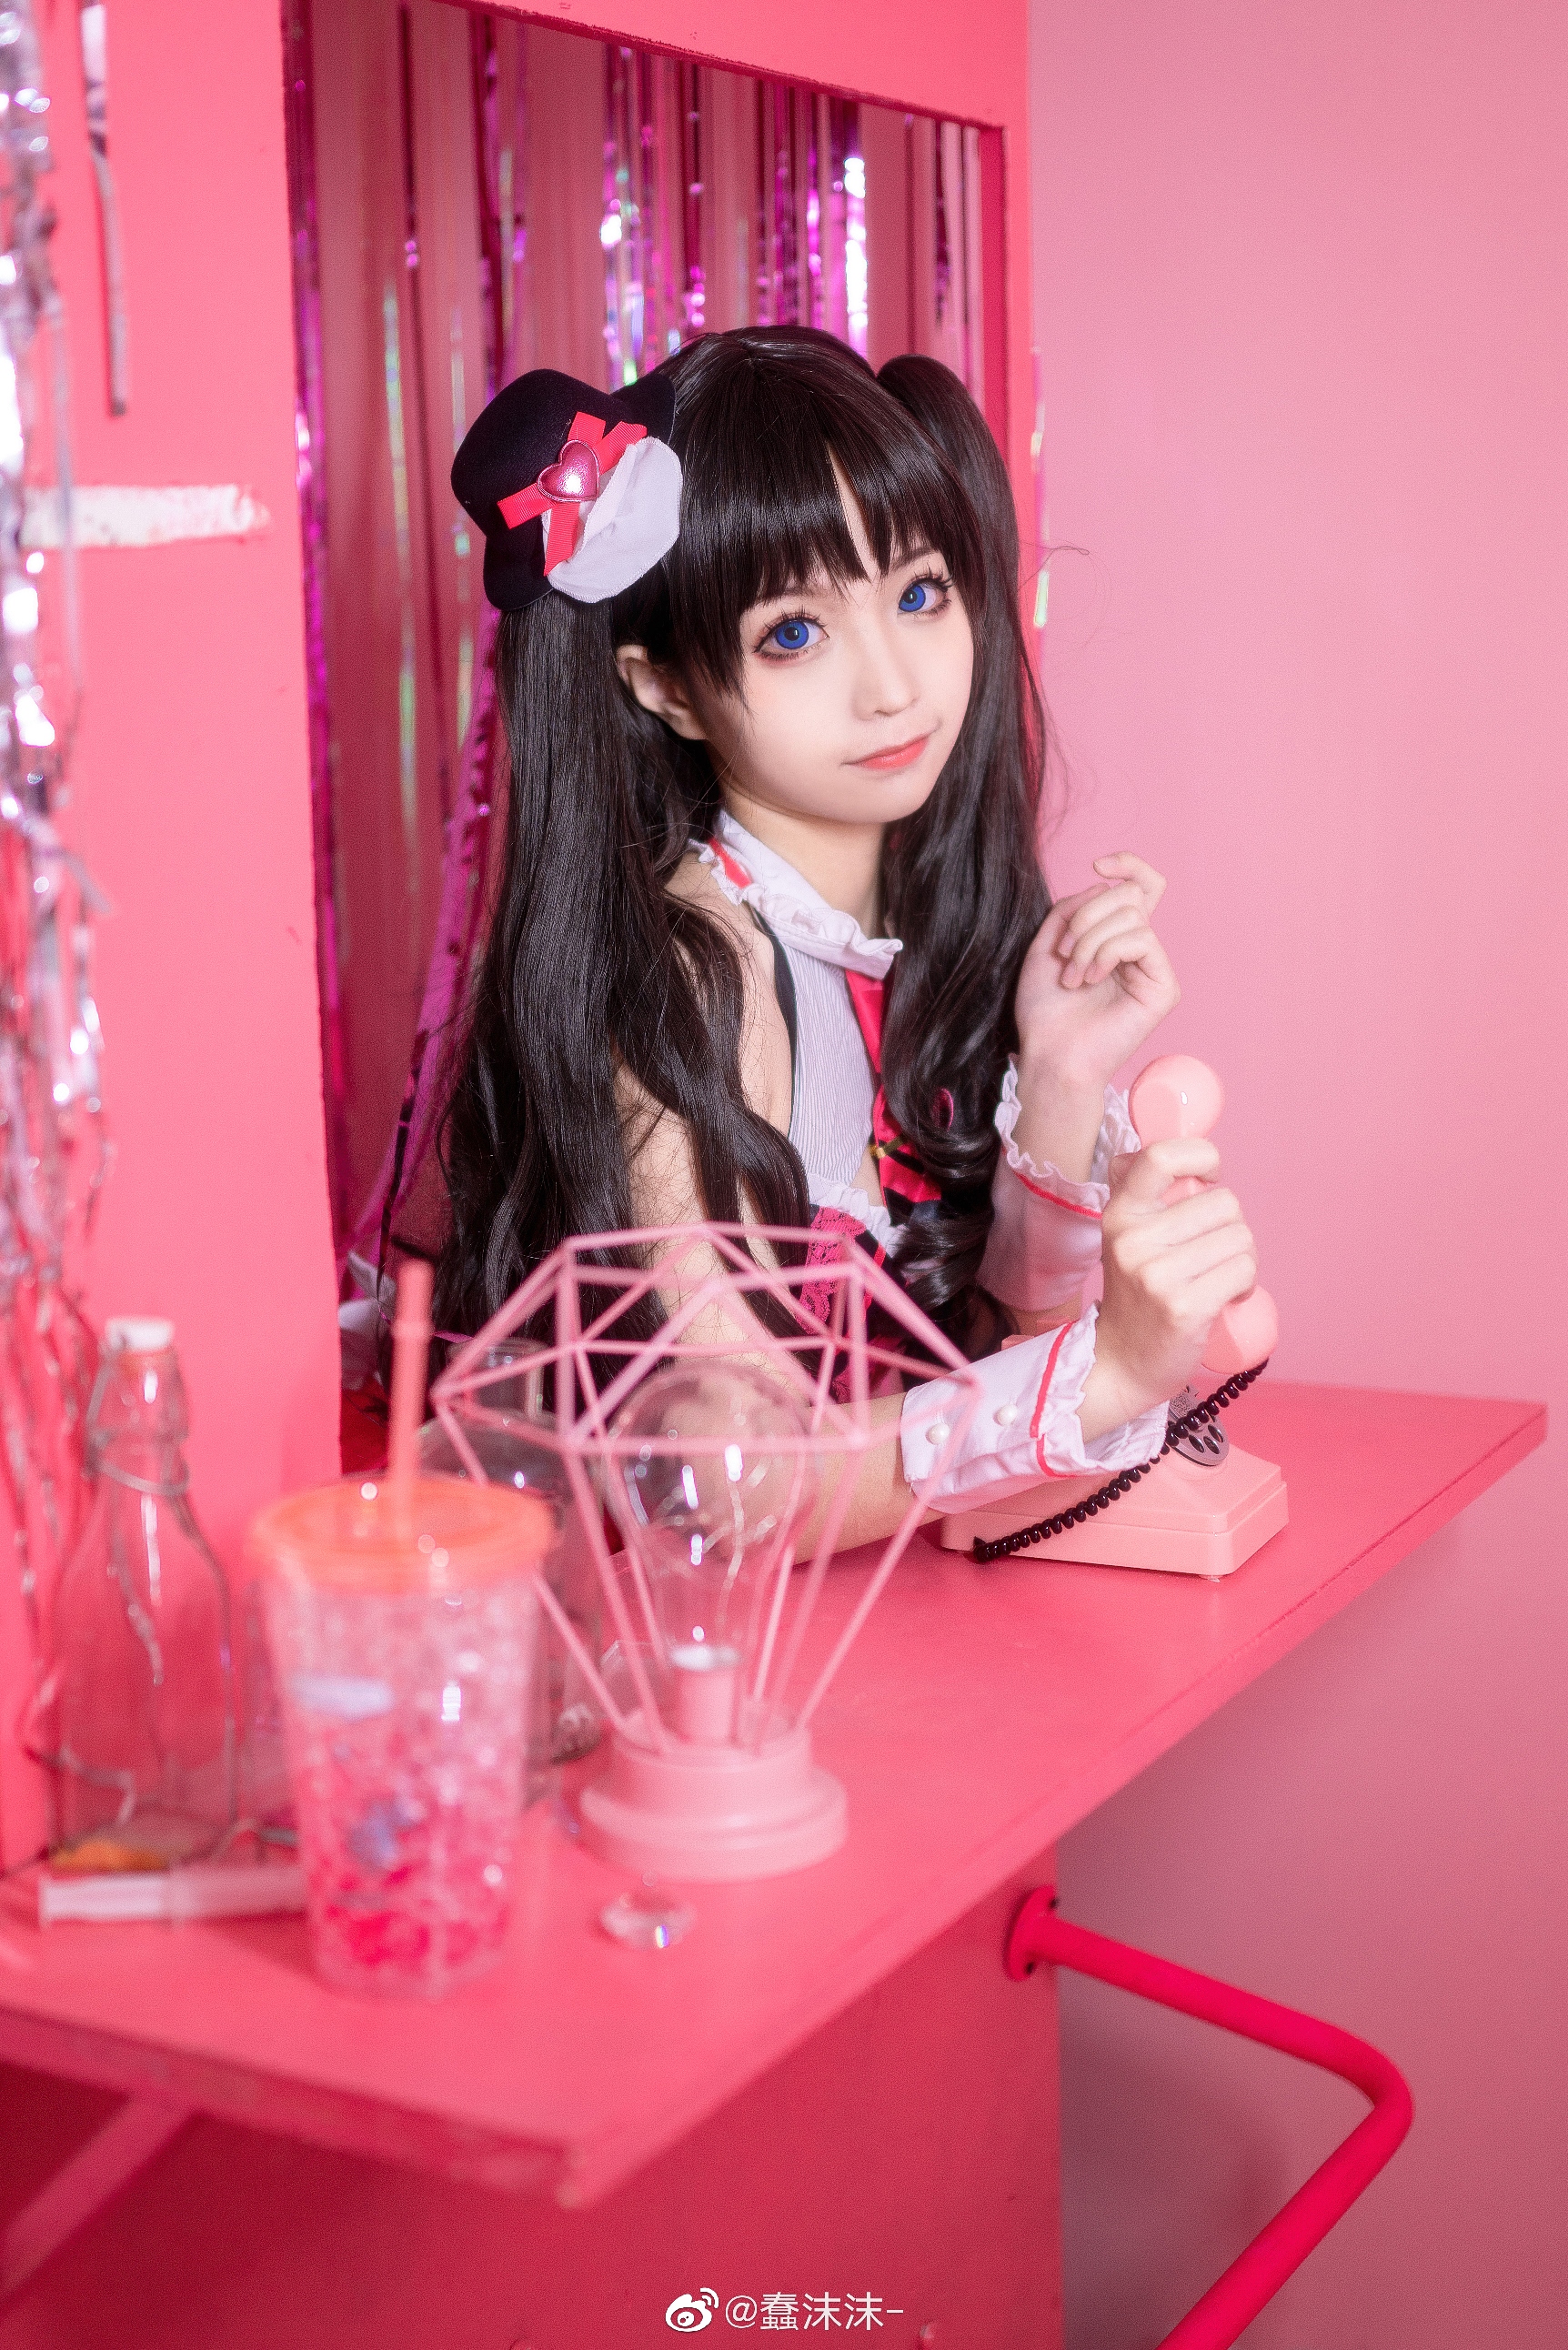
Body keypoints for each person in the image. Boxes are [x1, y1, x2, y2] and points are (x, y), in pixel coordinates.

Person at [439, 325, 1257, 1543]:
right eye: (795, 632)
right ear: (665, 687)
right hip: (729, 1637)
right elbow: (731, 1485)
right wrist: (1113, 1374)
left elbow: (973, 1343)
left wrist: (1060, 1075)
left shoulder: (895, 919)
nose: (892, 686)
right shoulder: (694, 975)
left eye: (920, 595)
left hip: (907, 1602)